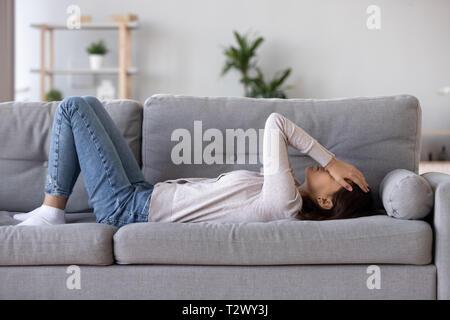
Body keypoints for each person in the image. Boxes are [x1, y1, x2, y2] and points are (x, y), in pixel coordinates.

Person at [14, 96, 372, 227]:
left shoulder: (285, 202)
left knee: (73, 107)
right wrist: (333, 166)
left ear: (325, 201)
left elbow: (275, 123)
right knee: (90, 103)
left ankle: (51, 211)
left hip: (127, 208)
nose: (332, 170)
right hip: (142, 193)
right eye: (337, 170)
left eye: (339, 178)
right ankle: (50, 212)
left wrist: (332, 158)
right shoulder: (286, 190)